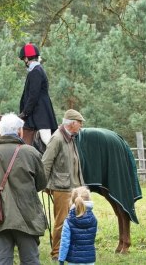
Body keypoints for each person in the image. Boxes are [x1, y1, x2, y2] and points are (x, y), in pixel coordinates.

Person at [0, 113, 47, 265]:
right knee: (31, 261)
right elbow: (41, 183)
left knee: (0, 262)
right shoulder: (31, 153)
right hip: (27, 218)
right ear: (20, 131)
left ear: (1, 131)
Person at [42, 109, 86, 261]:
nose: (81, 126)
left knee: (73, 220)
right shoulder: (57, 138)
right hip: (62, 188)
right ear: (72, 123)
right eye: (80, 123)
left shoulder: (70, 137)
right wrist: (44, 185)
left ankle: (67, 250)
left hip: (72, 188)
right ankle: (56, 253)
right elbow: (46, 163)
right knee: (61, 222)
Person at [17, 42, 58, 147]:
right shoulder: (35, 70)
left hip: (41, 112)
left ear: (26, 59)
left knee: (46, 139)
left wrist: (25, 113)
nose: (24, 62)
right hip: (37, 110)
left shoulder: (36, 71)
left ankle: (58, 160)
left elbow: (33, 95)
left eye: (24, 60)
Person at [58, 186, 97, 265]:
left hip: (74, 261)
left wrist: (61, 259)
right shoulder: (94, 219)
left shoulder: (69, 220)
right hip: (90, 260)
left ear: (72, 201)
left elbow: (65, 242)